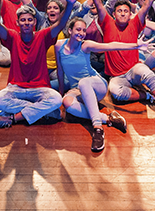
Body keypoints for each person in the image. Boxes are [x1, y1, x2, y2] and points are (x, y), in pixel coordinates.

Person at [81, 0, 155, 132]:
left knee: (145, 71)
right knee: (115, 92)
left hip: (134, 70)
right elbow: (98, 4)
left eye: (126, 11)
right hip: (117, 76)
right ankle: (147, 95)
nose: (123, 13)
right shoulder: (107, 22)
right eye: (119, 11)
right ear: (114, 14)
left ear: (129, 13)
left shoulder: (135, 23)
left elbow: (146, 7)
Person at [0, 0, 79, 130]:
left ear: (35, 22)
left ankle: (13, 117)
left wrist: (70, 5)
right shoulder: (12, 36)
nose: (26, 23)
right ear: (17, 22)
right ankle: (42, 111)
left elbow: (60, 23)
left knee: (56, 99)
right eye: (23, 20)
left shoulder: (42, 36)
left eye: (30, 20)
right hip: (17, 88)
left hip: (39, 88)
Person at [55, 17, 140, 152]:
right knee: (67, 103)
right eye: (78, 29)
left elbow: (109, 46)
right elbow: (60, 71)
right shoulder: (59, 46)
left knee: (84, 82)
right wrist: (60, 93)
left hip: (97, 85)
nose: (81, 33)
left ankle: (98, 129)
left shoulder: (85, 45)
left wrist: (135, 45)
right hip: (77, 89)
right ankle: (109, 118)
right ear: (70, 30)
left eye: (84, 30)